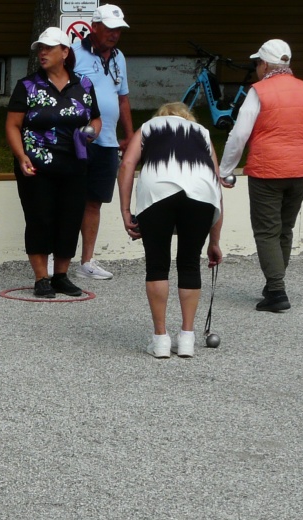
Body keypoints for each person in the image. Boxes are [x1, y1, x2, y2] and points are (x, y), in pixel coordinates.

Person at [218, 39, 303, 313]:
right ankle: (274, 284)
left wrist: (225, 170)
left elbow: (239, 134)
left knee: (267, 231)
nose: (257, 68)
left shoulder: (259, 91)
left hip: (267, 170)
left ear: (265, 65)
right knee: (284, 229)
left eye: (257, 63)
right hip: (300, 171)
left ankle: (277, 291)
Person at [117, 103, 224, 359]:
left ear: (161, 116)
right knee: (190, 263)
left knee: (157, 265)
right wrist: (215, 241)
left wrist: (125, 210)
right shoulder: (202, 133)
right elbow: (216, 184)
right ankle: (187, 338)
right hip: (201, 196)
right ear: (188, 118)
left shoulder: (148, 127)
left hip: (157, 191)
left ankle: (160, 340)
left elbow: (127, 165)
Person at [5, 27, 100, 298]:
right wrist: (21, 156)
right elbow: (12, 125)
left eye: (48, 48)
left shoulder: (84, 85)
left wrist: (90, 133)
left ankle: (60, 276)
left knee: (69, 219)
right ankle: (41, 278)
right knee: (40, 218)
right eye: (40, 48)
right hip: (36, 165)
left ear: (65, 52)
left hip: (74, 164)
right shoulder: (28, 85)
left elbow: (95, 118)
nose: (42, 53)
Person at [71, 2, 133, 282]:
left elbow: (123, 98)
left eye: (118, 30)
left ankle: (87, 261)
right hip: (78, 139)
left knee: (94, 201)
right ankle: (56, 256)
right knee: (68, 197)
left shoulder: (119, 58)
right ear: (94, 27)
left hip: (107, 142)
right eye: (109, 29)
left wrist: (129, 136)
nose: (114, 34)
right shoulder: (73, 53)